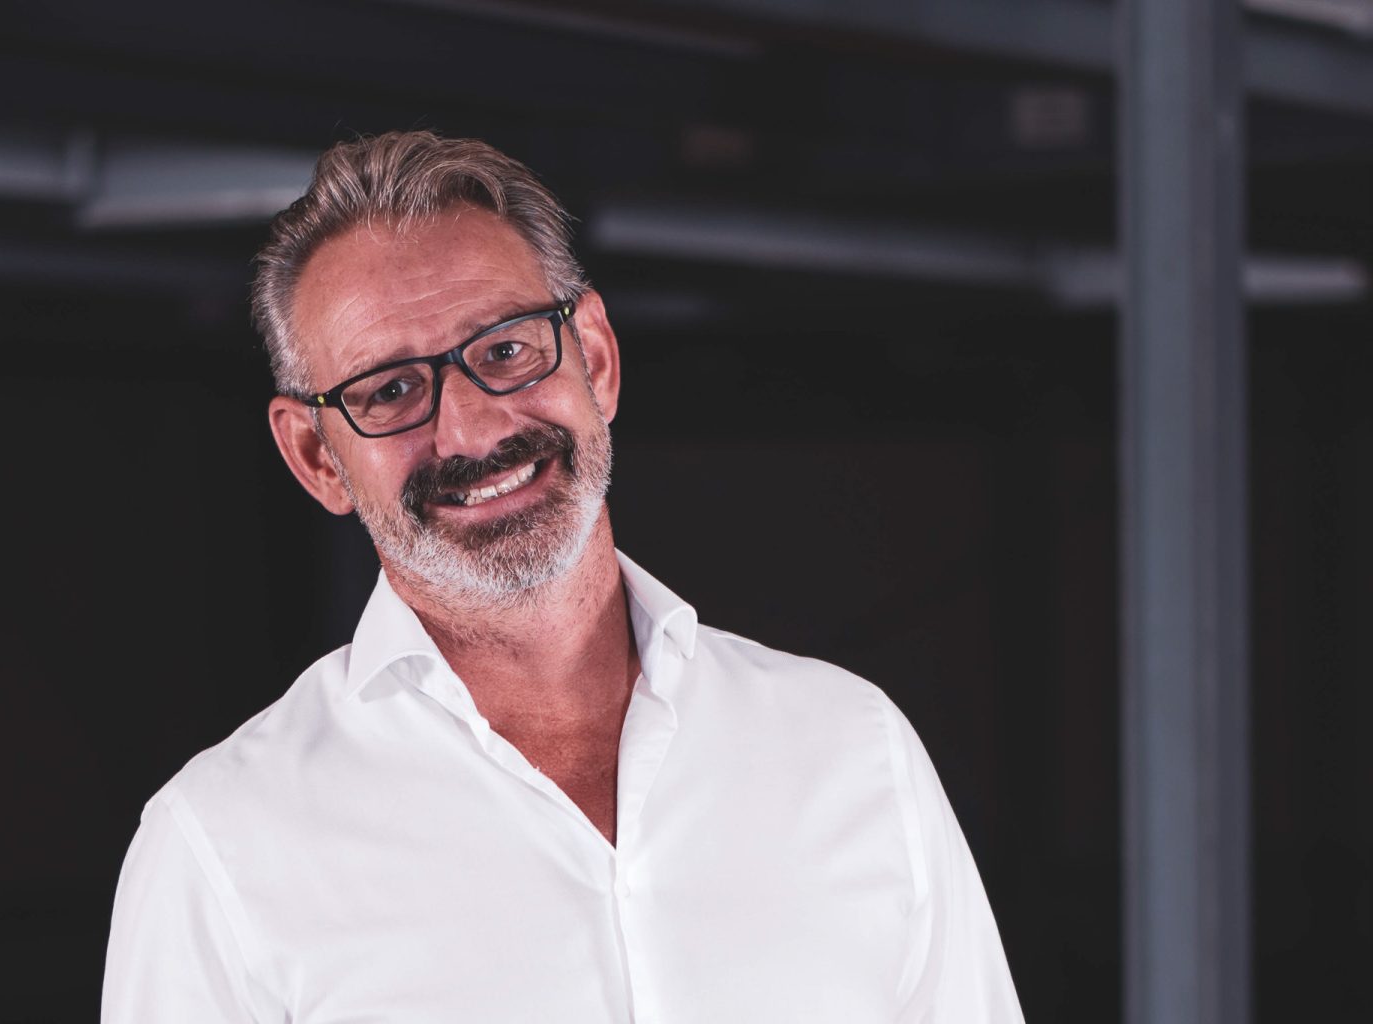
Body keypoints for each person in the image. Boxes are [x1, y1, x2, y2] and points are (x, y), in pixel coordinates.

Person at [101, 131, 1024, 1023]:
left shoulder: (853, 747)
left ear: (596, 359)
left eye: (506, 349)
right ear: (316, 458)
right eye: (390, 390)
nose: (470, 430)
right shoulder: (220, 847)